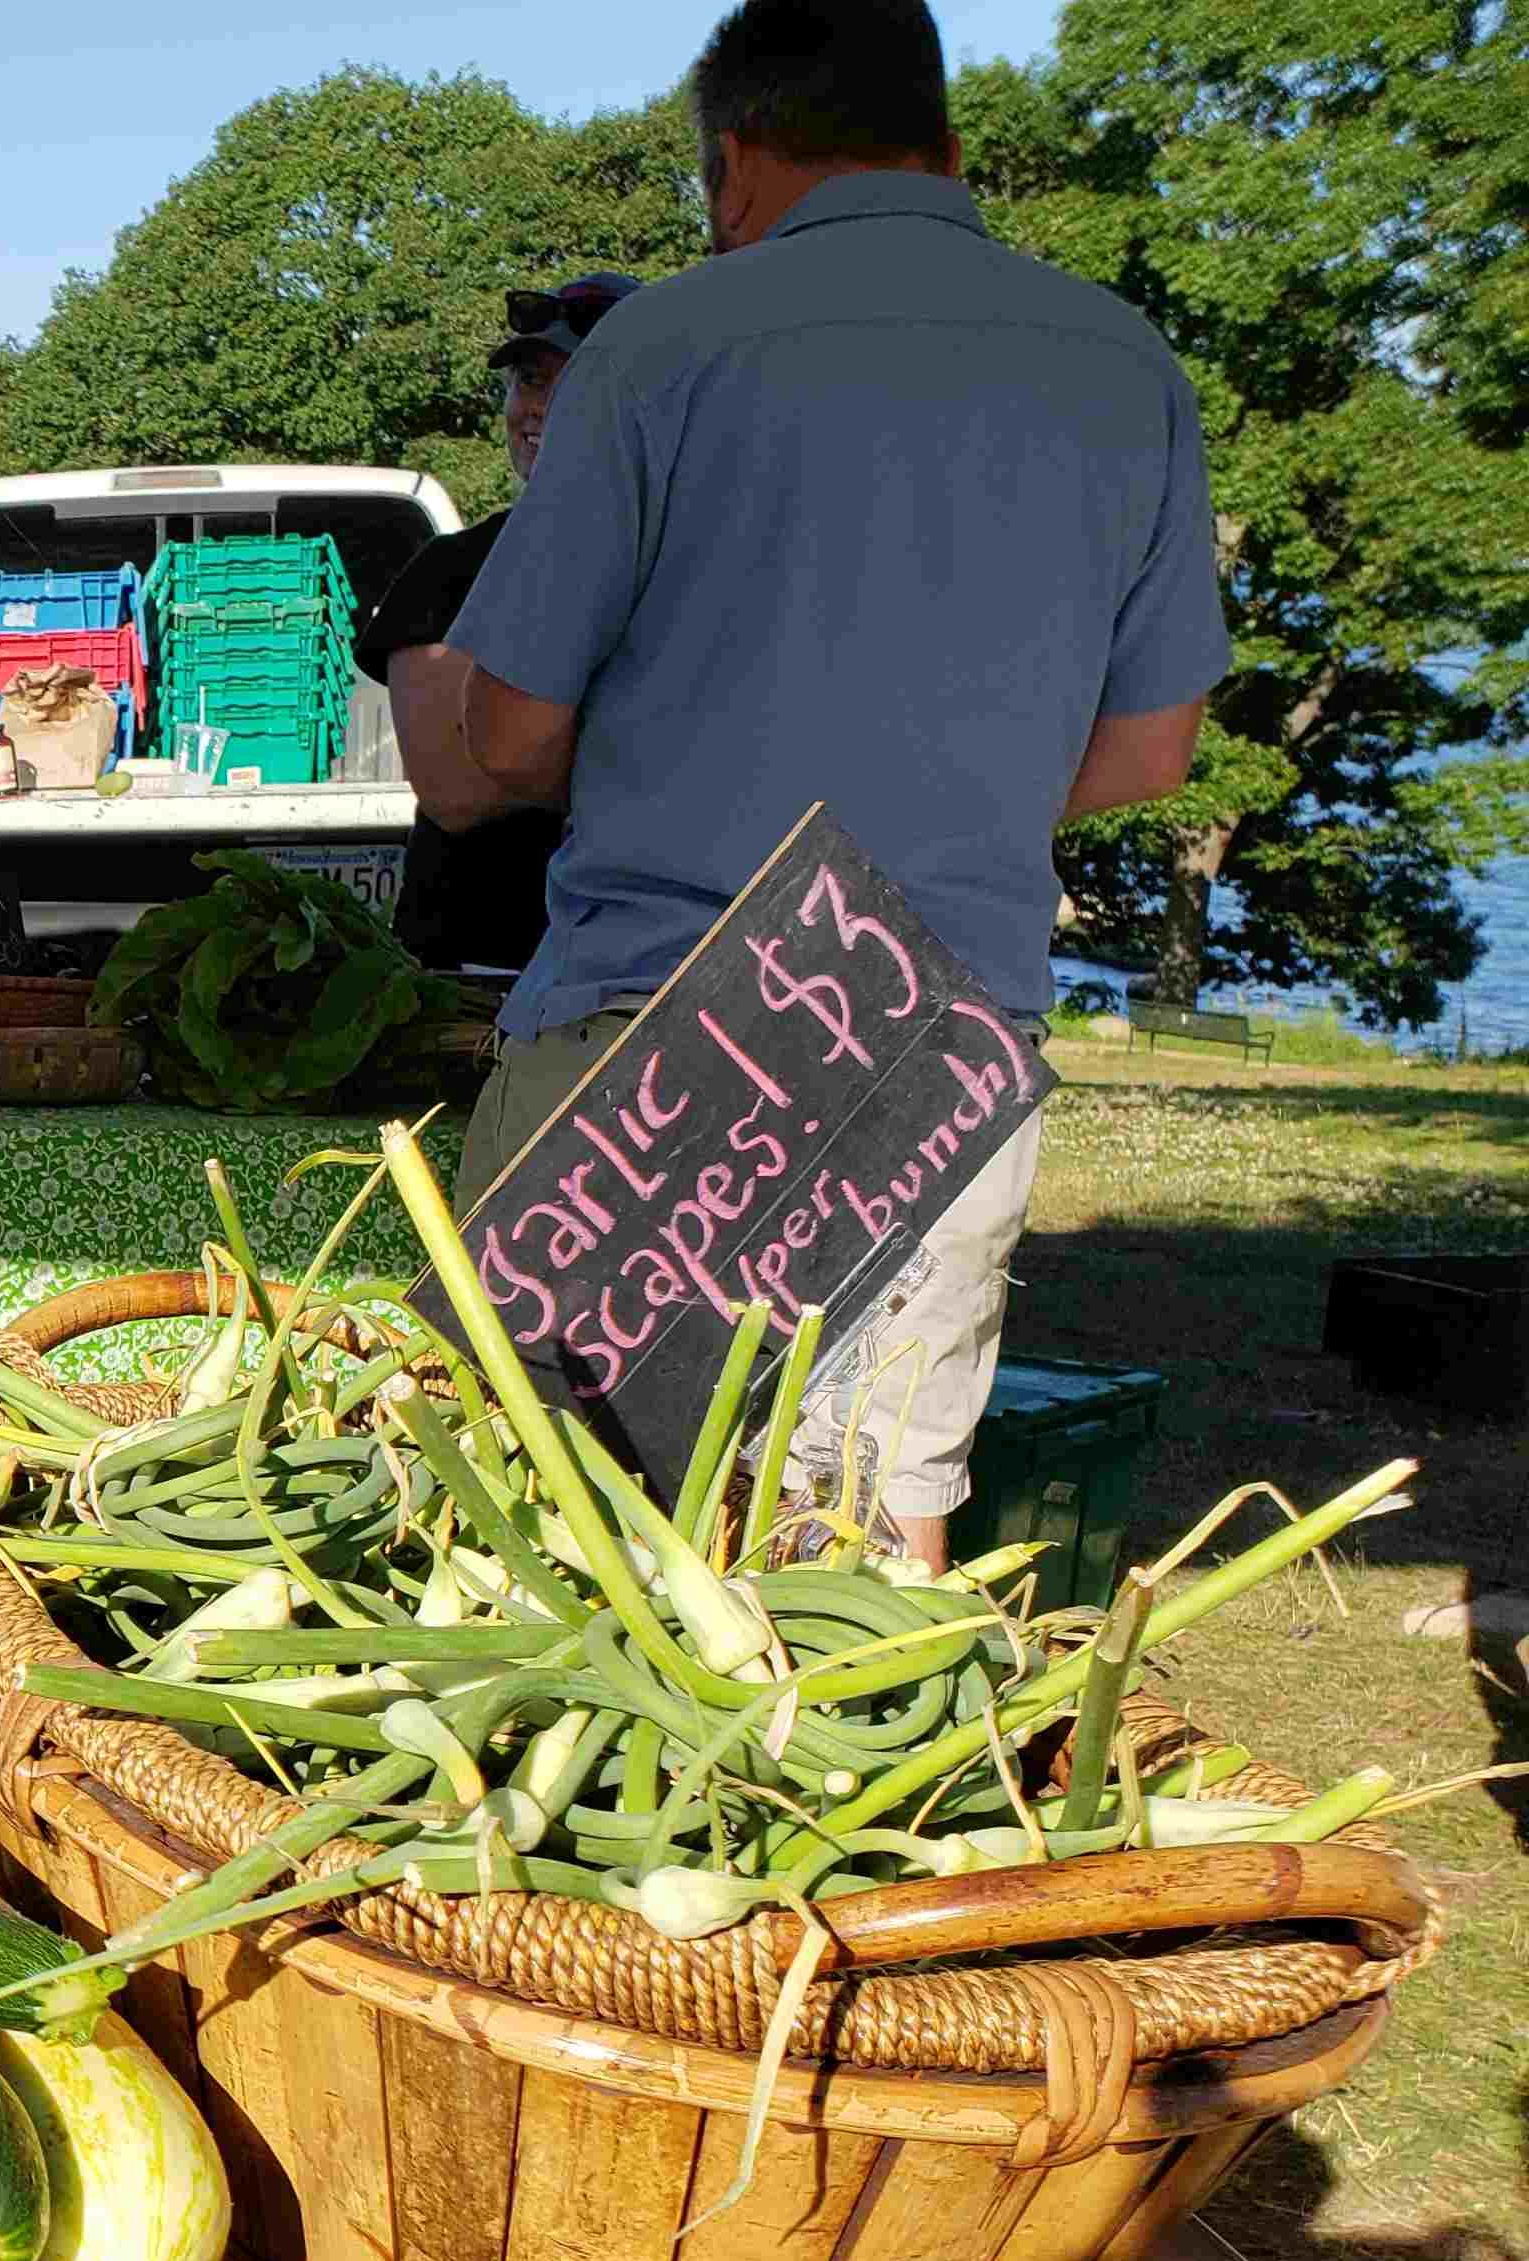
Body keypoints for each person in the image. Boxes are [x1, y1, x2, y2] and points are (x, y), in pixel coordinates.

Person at [438, 0, 1224, 1564]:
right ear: (946, 144)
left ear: (733, 166)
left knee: (528, 1542)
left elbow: (511, 740)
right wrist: (943, 799)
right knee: (867, 1566)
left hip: (652, 1032)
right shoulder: (1123, 364)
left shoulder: (663, 342)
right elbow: (1151, 750)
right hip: (941, 1031)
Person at [353, 273, 644, 975]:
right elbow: (457, 787)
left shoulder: (703, 556)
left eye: (575, 384)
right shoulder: (450, 570)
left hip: (650, 967)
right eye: (529, 381)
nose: (538, 408)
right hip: (482, 971)